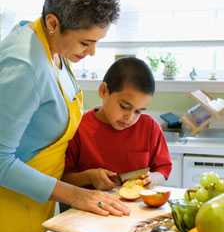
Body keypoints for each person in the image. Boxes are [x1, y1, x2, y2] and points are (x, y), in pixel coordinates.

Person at [0, 0, 130, 232]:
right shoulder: (23, 66)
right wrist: (76, 194)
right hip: (8, 208)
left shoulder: (54, 47)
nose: (92, 51)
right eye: (86, 43)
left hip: (36, 201)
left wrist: (83, 178)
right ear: (53, 22)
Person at [63, 57, 172, 192]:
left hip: (136, 209)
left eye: (138, 111)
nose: (130, 117)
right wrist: (88, 177)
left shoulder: (150, 127)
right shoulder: (78, 128)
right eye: (124, 106)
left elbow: (163, 169)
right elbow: (63, 178)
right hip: (88, 210)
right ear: (103, 91)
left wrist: (152, 179)